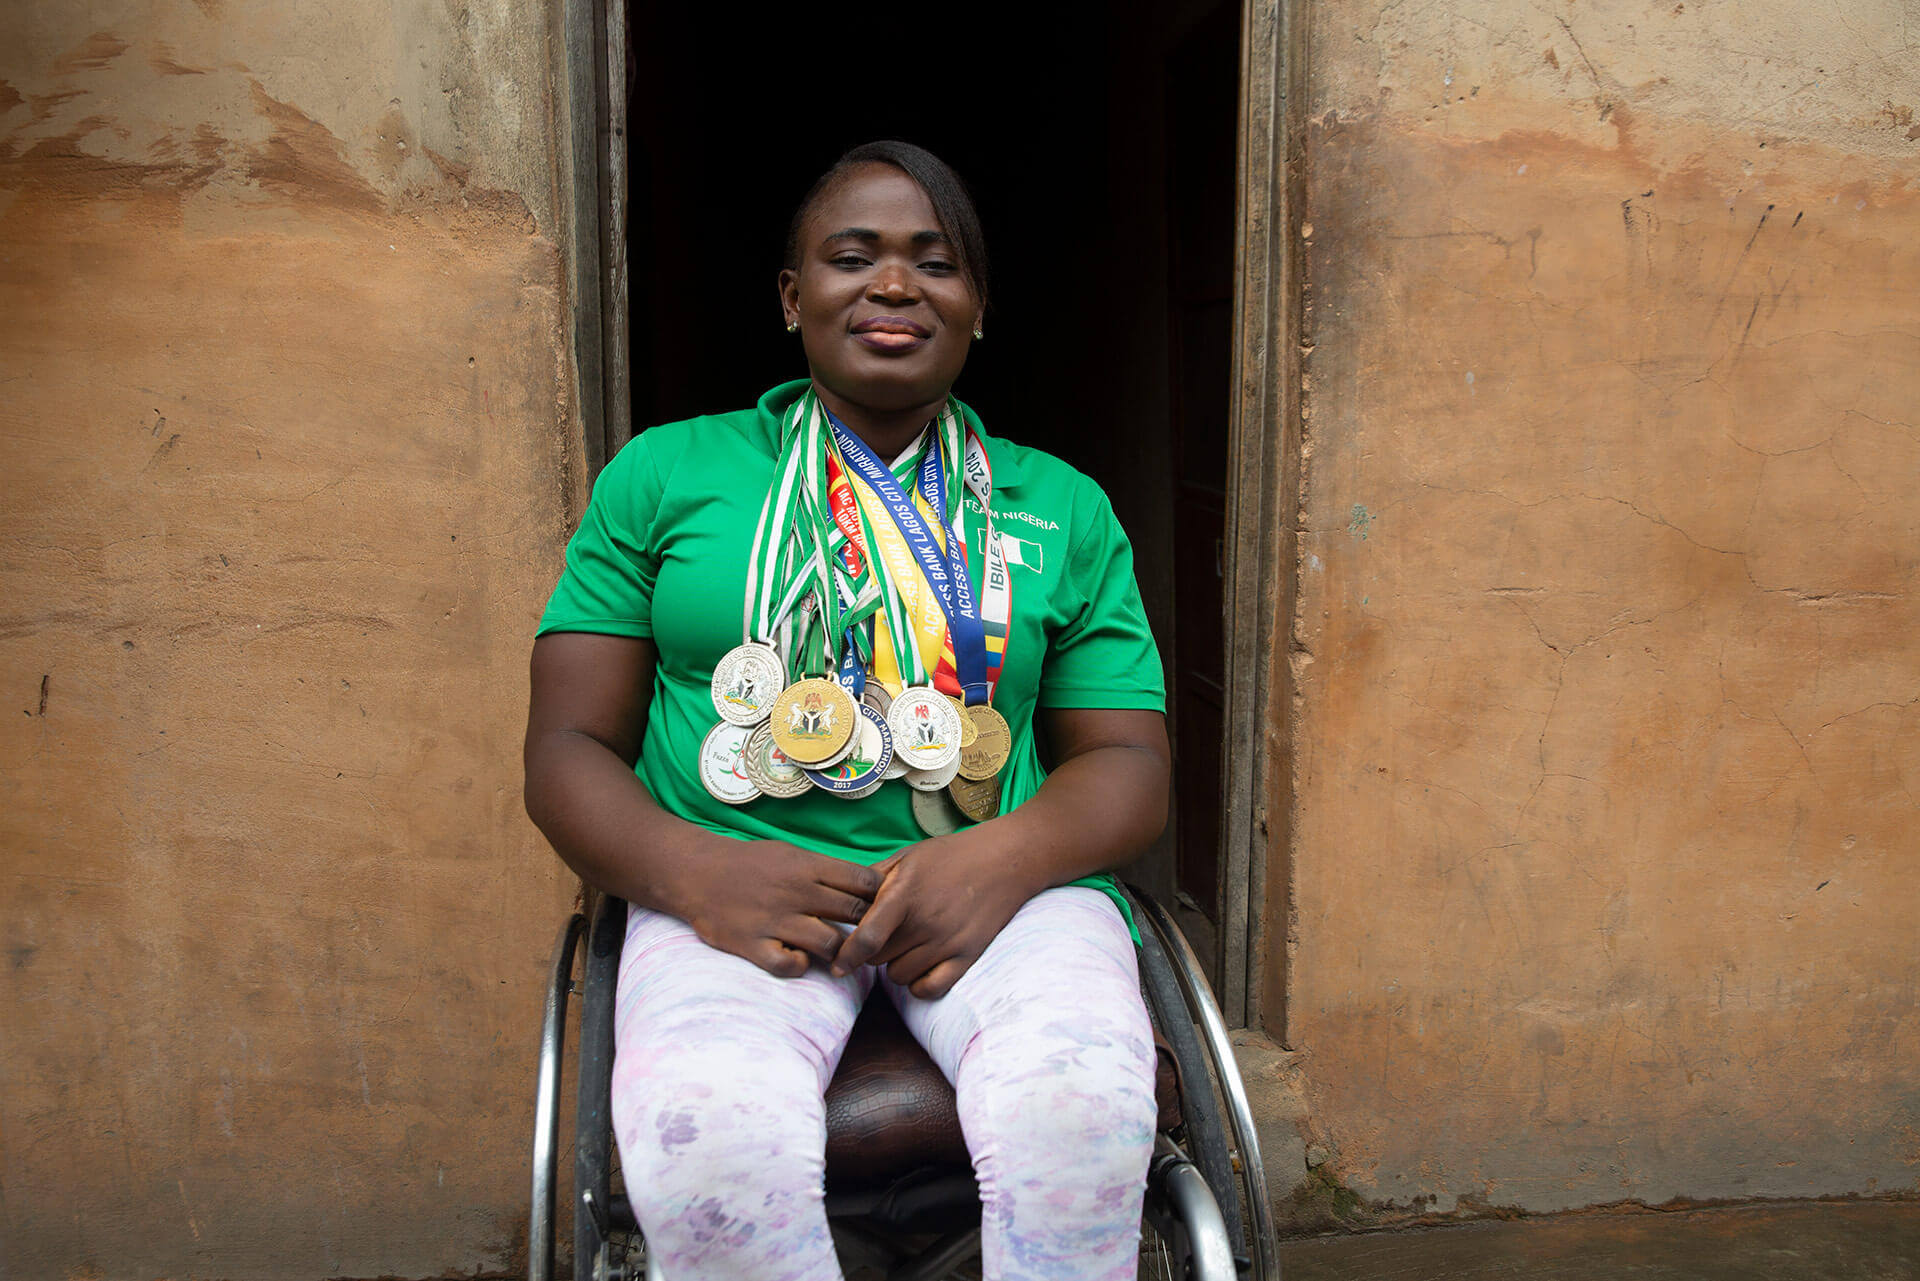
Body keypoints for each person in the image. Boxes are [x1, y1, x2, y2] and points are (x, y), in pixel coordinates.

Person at [523, 140, 1171, 1281]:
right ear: (792, 297)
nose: (893, 285)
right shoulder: (665, 475)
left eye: (936, 261)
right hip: (728, 901)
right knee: (705, 1136)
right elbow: (568, 745)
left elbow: (1127, 760)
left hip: (1003, 899)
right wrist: (693, 875)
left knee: (1083, 1107)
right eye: (851, 256)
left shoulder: (1059, 503)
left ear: (978, 305)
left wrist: (1000, 862)